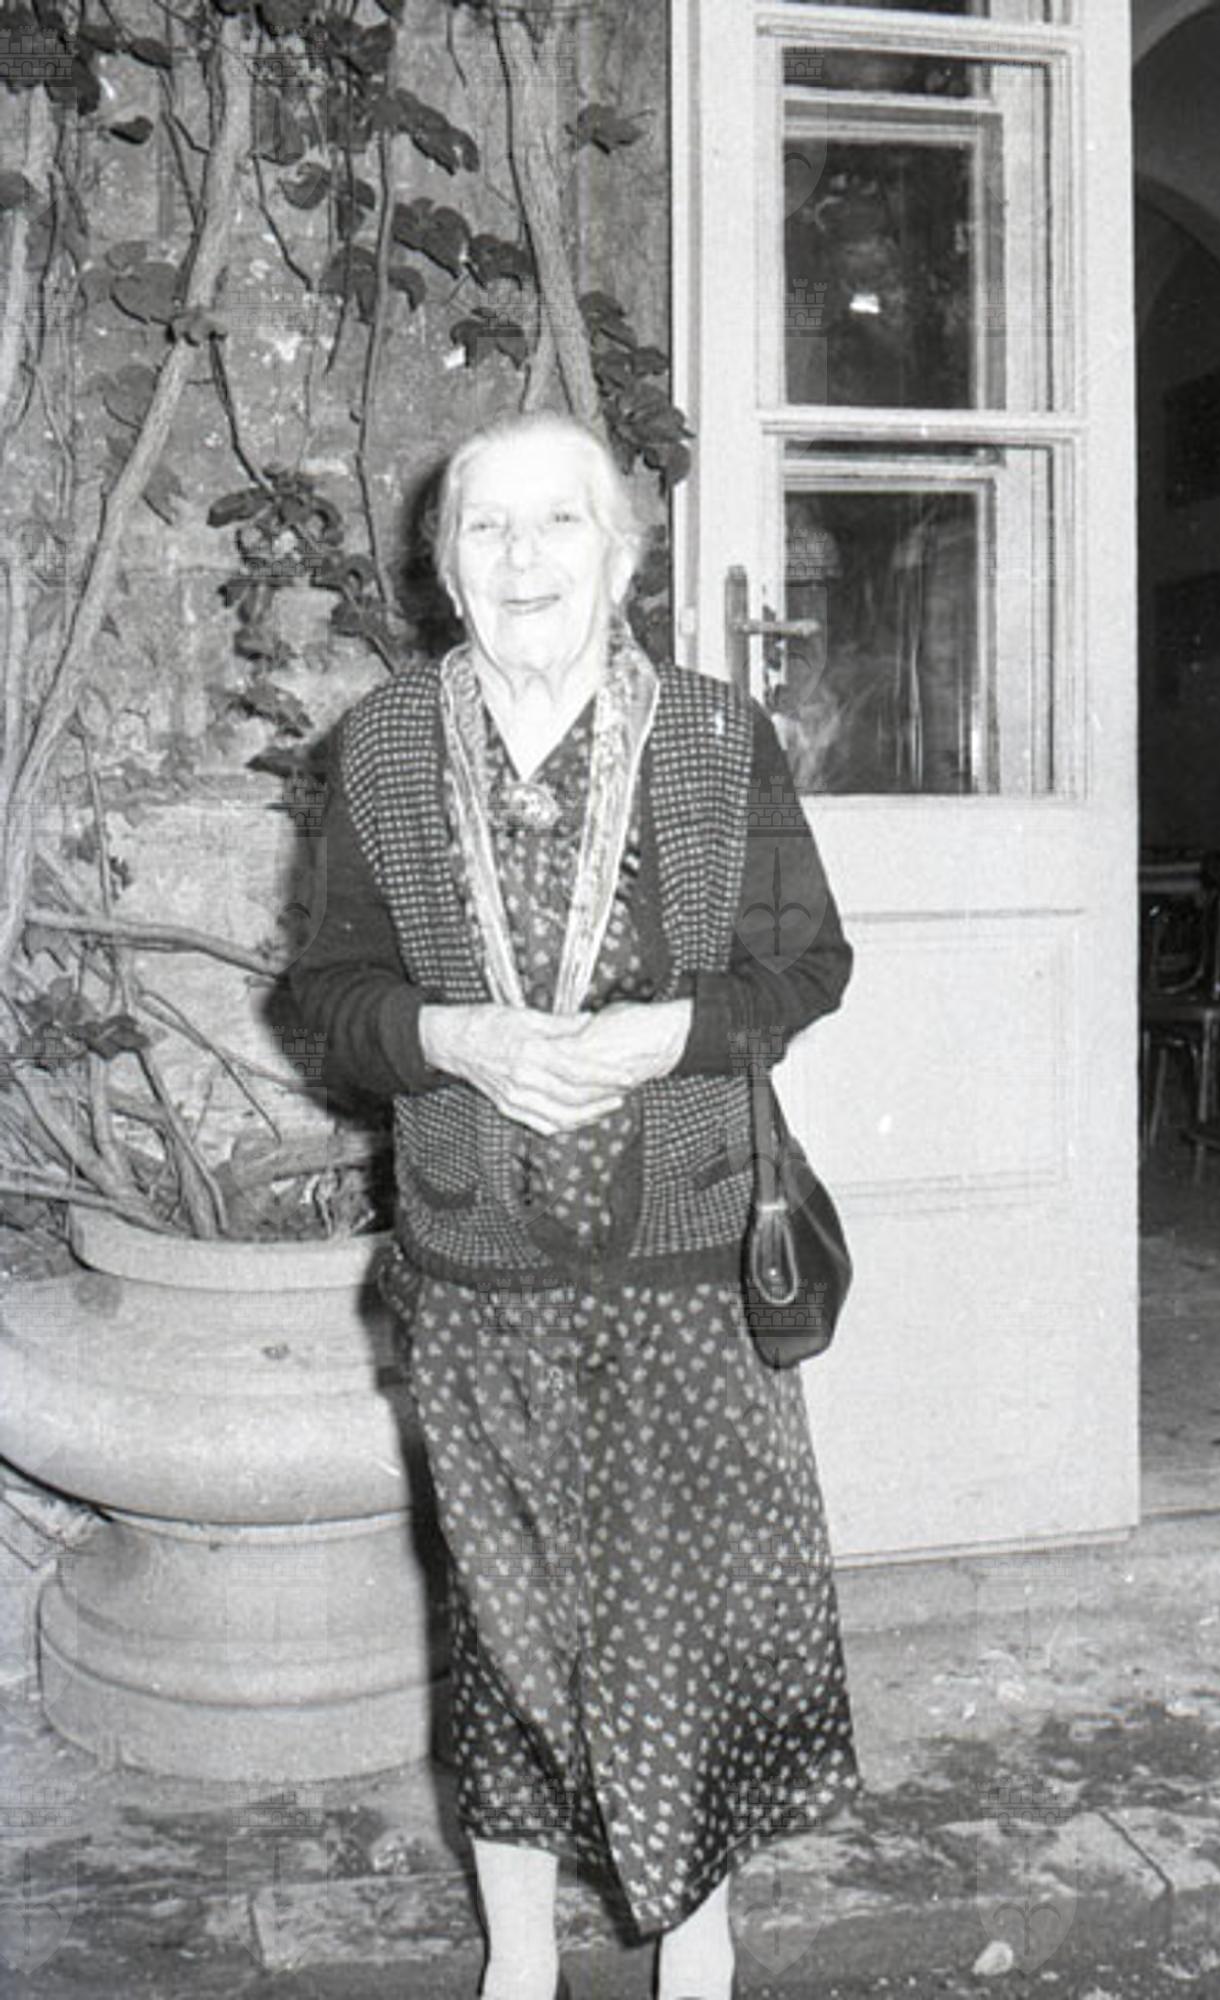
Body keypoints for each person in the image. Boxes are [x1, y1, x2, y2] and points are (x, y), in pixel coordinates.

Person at [290, 411, 861, 2000]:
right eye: (487, 526)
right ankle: (521, 1967)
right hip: (479, 1260)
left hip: (685, 1255)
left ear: (622, 559)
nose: (524, 557)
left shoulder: (716, 738)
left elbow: (807, 964)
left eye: (561, 523)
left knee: (691, 1619)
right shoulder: (381, 751)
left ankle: (700, 1960)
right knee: (509, 1629)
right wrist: (451, 1038)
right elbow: (329, 995)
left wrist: (676, 1032)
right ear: (443, 565)